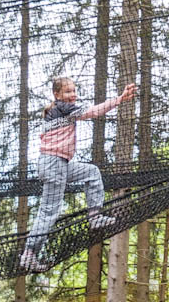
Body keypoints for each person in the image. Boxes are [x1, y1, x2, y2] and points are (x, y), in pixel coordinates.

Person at [19, 77, 137, 272]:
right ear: (57, 95)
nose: (72, 95)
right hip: (52, 163)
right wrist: (119, 99)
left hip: (59, 164)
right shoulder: (63, 108)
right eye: (67, 92)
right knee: (49, 212)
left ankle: (94, 216)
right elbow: (93, 112)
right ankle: (29, 255)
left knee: (91, 172)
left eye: (74, 91)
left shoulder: (58, 111)